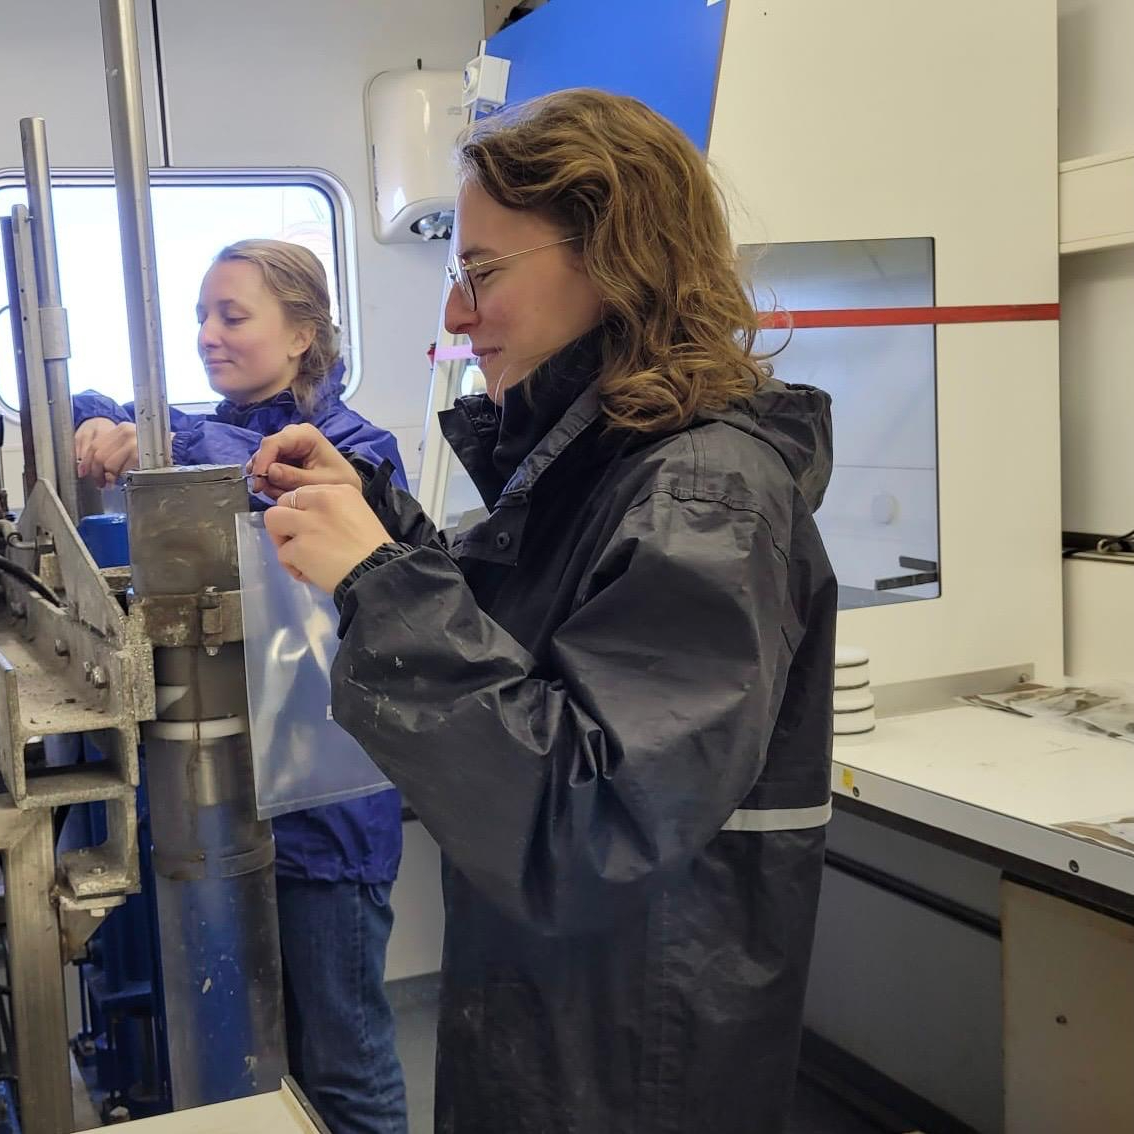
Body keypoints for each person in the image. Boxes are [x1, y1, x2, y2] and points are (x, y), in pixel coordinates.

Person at [250, 89, 838, 1133]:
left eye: (480, 274)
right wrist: (380, 520)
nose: (454, 316)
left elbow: (589, 820)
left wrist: (380, 581)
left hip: (626, 1064)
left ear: (613, 258)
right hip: (559, 1020)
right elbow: (521, 666)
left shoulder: (703, 494)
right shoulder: (607, 464)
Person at [72, 238, 409, 1134]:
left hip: (325, 816)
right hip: (230, 801)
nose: (207, 334)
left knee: (344, 1059)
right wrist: (92, 416)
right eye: (199, 316)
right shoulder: (216, 425)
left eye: (233, 315)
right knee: (258, 1058)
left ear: (302, 333)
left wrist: (162, 432)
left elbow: (269, 477)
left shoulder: (355, 452)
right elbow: (159, 426)